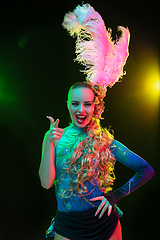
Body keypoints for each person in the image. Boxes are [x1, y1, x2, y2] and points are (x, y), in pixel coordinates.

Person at [39, 4, 155, 240]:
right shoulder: (56, 138)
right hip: (69, 226)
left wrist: (115, 196)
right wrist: (47, 142)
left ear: (95, 107)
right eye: (75, 104)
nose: (81, 110)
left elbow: (147, 170)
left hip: (106, 225)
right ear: (68, 104)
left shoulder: (105, 141)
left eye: (87, 104)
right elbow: (46, 183)